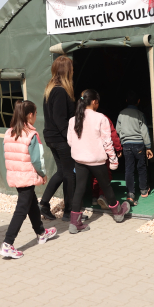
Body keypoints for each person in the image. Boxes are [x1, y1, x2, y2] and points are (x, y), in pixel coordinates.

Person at [0, 100, 58, 259]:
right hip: (26, 175)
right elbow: (37, 159)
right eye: (36, 114)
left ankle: (41, 233)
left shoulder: (9, 132)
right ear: (30, 115)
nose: (36, 117)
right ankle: (7, 244)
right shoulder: (31, 134)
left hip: (16, 175)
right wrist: (43, 173)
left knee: (31, 202)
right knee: (22, 209)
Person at [67, 89, 131, 233]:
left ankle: (74, 223)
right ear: (95, 102)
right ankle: (118, 213)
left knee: (79, 189)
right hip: (97, 160)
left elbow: (70, 141)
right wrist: (114, 160)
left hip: (80, 159)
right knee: (106, 186)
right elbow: (107, 142)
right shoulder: (101, 118)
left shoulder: (73, 119)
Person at [38, 55, 76, 222]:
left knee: (62, 172)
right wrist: (71, 138)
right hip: (60, 138)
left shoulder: (50, 88)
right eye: (72, 68)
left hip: (51, 136)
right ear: (68, 70)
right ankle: (69, 212)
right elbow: (60, 119)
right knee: (69, 174)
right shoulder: (60, 91)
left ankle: (44, 204)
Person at [116, 90, 154, 204]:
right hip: (139, 145)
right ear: (138, 101)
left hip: (126, 145)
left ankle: (130, 194)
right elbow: (145, 132)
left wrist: (121, 143)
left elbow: (118, 130)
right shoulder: (140, 114)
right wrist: (148, 147)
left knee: (129, 169)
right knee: (141, 168)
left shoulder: (121, 114)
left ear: (127, 101)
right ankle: (143, 190)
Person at [91, 114, 122, 206]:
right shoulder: (104, 118)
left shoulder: (80, 117)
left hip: (90, 152)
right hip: (103, 151)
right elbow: (112, 133)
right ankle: (102, 195)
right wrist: (118, 148)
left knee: (94, 175)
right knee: (105, 174)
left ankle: (94, 197)